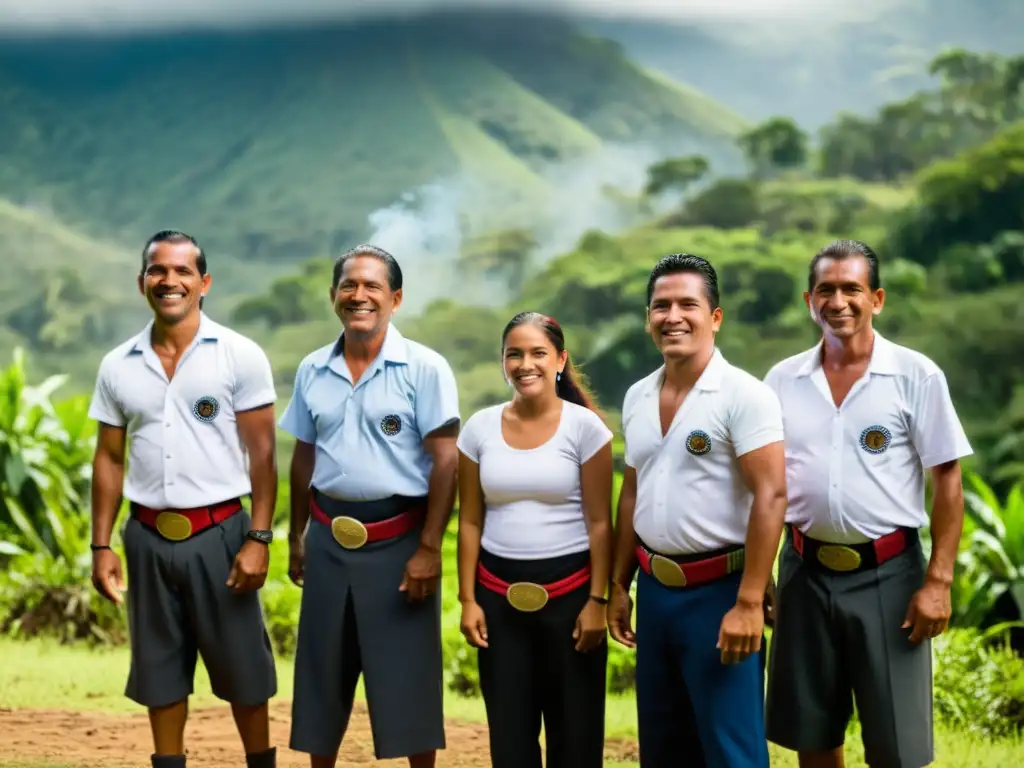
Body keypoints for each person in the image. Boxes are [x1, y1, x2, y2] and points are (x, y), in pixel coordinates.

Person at [763, 239, 972, 768]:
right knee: (813, 732)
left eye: (852, 289)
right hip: (803, 571)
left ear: (876, 298)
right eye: (826, 291)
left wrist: (938, 582)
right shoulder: (781, 381)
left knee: (896, 743)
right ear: (809, 301)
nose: (839, 302)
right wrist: (757, 578)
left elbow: (947, 480)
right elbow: (761, 487)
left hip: (890, 575)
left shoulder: (915, 375)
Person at [88, 230, 279, 768]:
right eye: (157, 270)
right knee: (159, 669)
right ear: (142, 281)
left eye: (182, 272)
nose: (168, 281)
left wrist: (259, 537)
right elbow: (108, 458)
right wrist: (101, 545)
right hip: (145, 536)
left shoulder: (239, 356)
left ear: (204, 283)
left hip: (221, 534)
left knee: (244, 670)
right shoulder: (118, 364)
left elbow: (263, 457)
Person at [279, 244, 460, 768]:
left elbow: (446, 462)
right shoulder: (313, 368)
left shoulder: (424, 368)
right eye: (348, 286)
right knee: (321, 673)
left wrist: (429, 547)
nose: (359, 296)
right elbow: (303, 455)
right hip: (328, 538)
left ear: (395, 298)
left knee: (407, 677)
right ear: (334, 295)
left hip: (400, 541)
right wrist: (296, 536)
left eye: (372, 287)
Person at [607, 253, 788, 768]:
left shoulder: (744, 395)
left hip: (721, 593)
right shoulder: (638, 395)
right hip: (657, 592)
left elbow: (772, 494)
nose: (673, 316)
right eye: (660, 305)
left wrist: (750, 600)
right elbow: (631, 490)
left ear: (715, 317)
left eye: (688, 304)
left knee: (732, 750)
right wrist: (621, 586)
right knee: (664, 746)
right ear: (648, 318)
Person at [457, 311, 614, 768]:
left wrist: (597, 602)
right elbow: (470, 520)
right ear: (503, 362)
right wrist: (469, 599)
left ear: (560, 360)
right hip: (498, 599)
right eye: (514, 354)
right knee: (510, 735)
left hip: (572, 598)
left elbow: (600, 522)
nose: (526, 363)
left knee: (576, 734)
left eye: (538, 353)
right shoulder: (479, 429)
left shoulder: (586, 428)